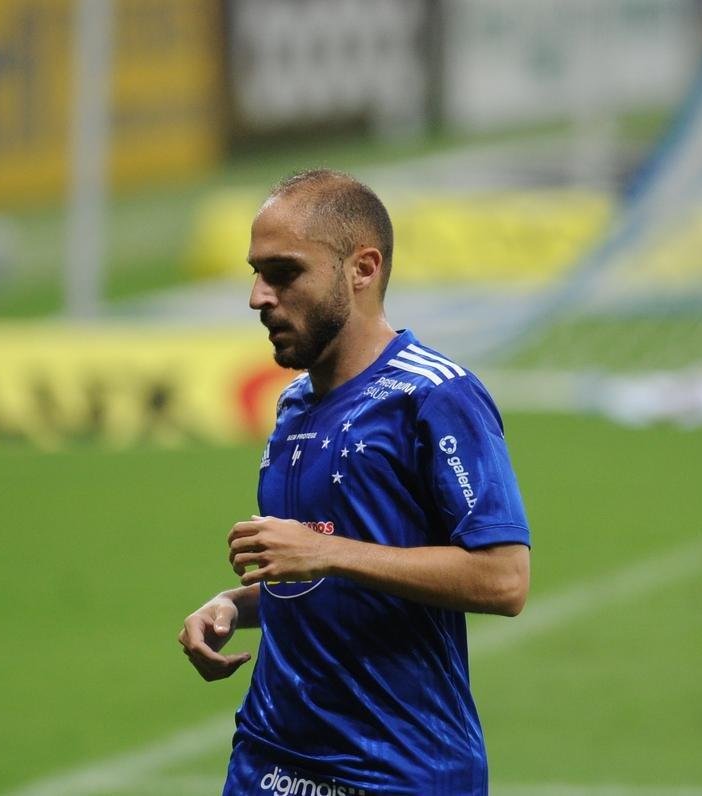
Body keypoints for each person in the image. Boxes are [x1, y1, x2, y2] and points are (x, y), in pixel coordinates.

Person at [178, 169, 530, 795]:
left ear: (362, 269)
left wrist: (324, 551)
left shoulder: (434, 396)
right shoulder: (294, 404)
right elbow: (321, 578)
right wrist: (233, 604)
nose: (259, 296)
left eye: (284, 273)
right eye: (255, 272)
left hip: (398, 773)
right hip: (269, 761)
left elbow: (504, 578)